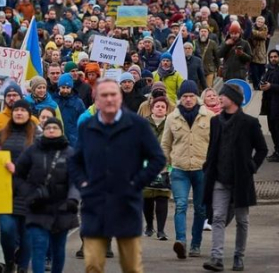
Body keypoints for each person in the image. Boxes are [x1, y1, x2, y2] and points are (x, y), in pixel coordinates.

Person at [69, 78, 166, 273]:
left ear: (120, 98)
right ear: (96, 100)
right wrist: (83, 184)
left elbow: (157, 158)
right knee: (93, 265)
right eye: (104, 95)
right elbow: (74, 161)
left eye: (113, 94)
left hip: (126, 203)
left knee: (131, 267)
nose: (109, 99)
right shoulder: (88, 127)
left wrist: (136, 183)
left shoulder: (137, 126)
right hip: (95, 204)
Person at [202, 84, 268, 272]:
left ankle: (239, 257)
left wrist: (251, 167)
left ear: (234, 99)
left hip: (241, 180)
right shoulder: (216, 122)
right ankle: (217, 258)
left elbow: (262, 149)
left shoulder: (249, 123)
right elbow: (212, 148)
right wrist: (208, 166)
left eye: (224, 95)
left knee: (242, 220)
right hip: (219, 179)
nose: (220, 98)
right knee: (218, 217)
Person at [15, 118, 79, 273]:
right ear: (43, 130)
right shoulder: (32, 151)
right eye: (48, 127)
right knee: (39, 248)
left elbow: (76, 180)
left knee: (58, 250)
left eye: (55, 128)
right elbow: (17, 176)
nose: (51, 130)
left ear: (61, 131)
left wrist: (73, 198)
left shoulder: (70, 153)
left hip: (62, 208)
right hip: (37, 208)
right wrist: (29, 194)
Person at [161, 80, 213, 259]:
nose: (188, 100)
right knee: (181, 204)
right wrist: (166, 168)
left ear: (197, 97)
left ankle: (196, 244)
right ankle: (181, 242)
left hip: (202, 169)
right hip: (179, 169)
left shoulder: (210, 117)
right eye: (185, 97)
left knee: (200, 209)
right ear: (180, 98)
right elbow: (165, 145)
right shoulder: (171, 118)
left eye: (191, 96)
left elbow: (216, 144)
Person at [0, 100, 41, 273]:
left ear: (29, 114)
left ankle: (22, 266)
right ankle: (9, 262)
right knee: (7, 231)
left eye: (23, 110)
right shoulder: (2, 134)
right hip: (6, 191)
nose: (19, 113)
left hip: (29, 191)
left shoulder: (37, 136)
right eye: (16, 110)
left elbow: (42, 162)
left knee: (27, 235)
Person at [143, 96, 172, 241]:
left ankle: (161, 230)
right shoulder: (143, 123)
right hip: (145, 164)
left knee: (162, 196)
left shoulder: (170, 122)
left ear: (166, 110)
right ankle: (149, 226)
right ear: (152, 108)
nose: (160, 108)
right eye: (157, 106)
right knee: (147, 198)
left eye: (163, 106)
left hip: (165, 165)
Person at [53, 73, 85, 147]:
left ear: (71, 88)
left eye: (68, 88)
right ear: (59, 87)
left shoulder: (78, 102)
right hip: (57, 136)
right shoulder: (53, 101)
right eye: (63, 87)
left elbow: (83, 120)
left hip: (73, 139)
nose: (65, 90)